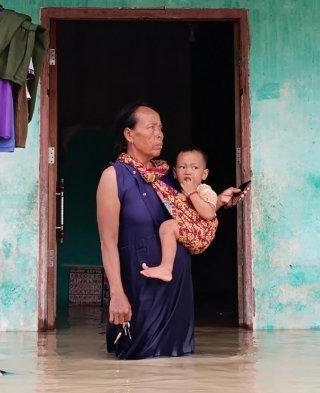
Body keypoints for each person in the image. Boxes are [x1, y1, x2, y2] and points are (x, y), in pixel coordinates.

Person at [96, 102, 246, 359]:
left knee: (179, 364)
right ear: (129, 134)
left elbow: (190, 216)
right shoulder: (114, 177)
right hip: (140, 289)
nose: (159, 134)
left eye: (161, 128)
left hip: (177, 289)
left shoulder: (169, 175)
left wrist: (219, 202)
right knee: (141, 362)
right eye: (151, 128)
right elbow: (107, 243)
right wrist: (117, 295)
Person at [138, 147, 220, 282]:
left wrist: (193, 193)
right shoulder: (175, 193)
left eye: (194, 168)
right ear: (175, 173)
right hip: (189, 233)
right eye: (182, 167)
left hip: (202, 234)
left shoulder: (204, 190)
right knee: (167, 227)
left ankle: (166, 268)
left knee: (167, 227)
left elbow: (209, 213)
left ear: (204, 174)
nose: (188, 172)